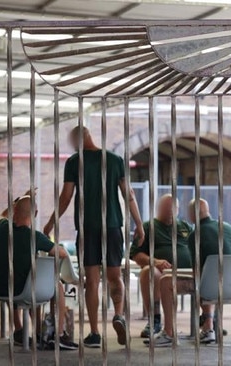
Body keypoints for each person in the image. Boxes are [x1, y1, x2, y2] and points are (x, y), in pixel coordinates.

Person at [43, 126, 145, 348]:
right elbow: (129, 195)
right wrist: (139, 224)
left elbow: (66, 196)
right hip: (113, 227)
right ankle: (118, 315)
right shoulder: (115, 160)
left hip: (88, 227)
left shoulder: (74, 162)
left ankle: (95, 333)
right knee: (115, 276)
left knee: (92, 281)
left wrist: (51, 222)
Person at [151, 198, 231, 347]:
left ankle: (169, 333)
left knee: (166, 281)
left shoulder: (196, 235)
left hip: (212, 287)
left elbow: (197, 272)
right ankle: (208, 329)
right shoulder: (229, 227)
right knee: (207, 279)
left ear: (192, 215)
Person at [0, 195, 78, 350]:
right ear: (36, 214)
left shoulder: (2, 228)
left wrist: (16, 203)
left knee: (30, 281)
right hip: (23, 291)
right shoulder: (35, 237)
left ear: (14, 211)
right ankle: (58, 335)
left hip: (2, 289)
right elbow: (62, 253)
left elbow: (2, 216)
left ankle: (34, 332)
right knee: (57, 286)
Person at [130, 194, 192, 339]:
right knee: (147, 271)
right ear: (159, 209)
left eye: (173, 207)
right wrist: (155, 261)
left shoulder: (186, 227)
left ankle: (209, 322)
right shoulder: (147, 227)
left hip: (187, 275)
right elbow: (136, 255)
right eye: (166, 207)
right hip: (161, 275)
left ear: (177, 209)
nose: (170, 210)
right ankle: (155, 320)